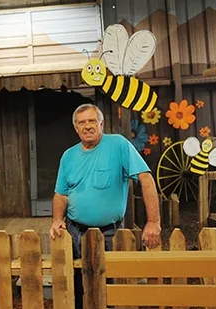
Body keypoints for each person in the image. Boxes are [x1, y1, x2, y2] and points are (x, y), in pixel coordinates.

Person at [49, 103, 161, 309]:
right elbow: (61, 194)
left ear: (102, 123)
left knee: (110, 287)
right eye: (82, 123)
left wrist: (153, 222)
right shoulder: (68, 156)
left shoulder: (118, 145)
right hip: (74, 231)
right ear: (76, 128)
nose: (88, 126)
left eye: (92, 121)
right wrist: (57, 218)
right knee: (78, 286)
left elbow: (145, 179)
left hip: (109, 232)